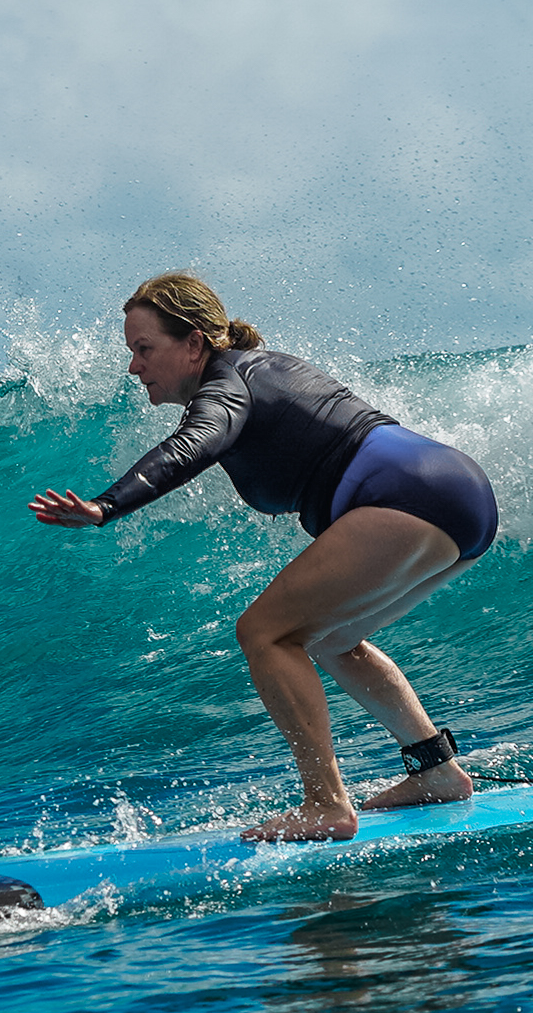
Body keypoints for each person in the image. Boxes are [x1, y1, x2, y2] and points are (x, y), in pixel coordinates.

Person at [29, 272, 499, 842]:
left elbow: (191, 445)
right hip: (455, 493)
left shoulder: (227, 385)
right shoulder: (259, 367)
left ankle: (326, 804)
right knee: (331, 639)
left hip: (410, 494)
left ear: (195, 342)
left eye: (144, 348)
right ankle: (437, 771)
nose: (135, 367)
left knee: (265, 632)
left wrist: (107, 506)